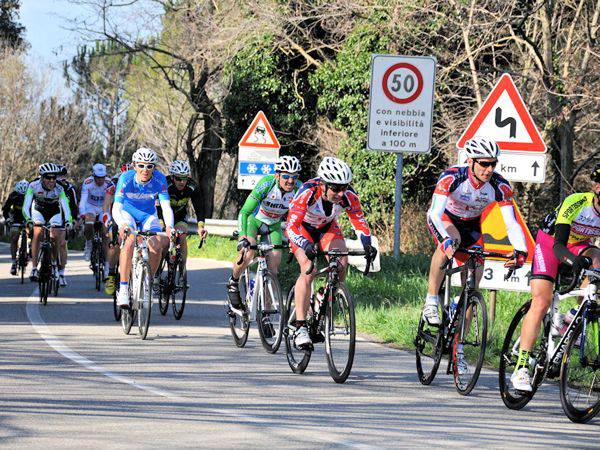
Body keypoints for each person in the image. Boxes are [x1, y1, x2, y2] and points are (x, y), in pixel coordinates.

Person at [423, 137, 528, 373]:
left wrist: (520, 251)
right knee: (450, 243)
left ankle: (458, 348)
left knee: (472, 287)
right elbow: (434, 214)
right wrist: (445, 240)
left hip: (472, 227)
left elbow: (511, 224)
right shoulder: (452, 177)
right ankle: (431, 300)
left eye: (493, 164)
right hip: (447, 221)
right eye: (484, 164)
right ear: (470, 160)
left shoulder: (500, 186)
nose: (489, 169)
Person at [511, 162, 600, 392]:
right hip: (551, 243)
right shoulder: (577, 203)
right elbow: (559, 245)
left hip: (580, 245)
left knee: (598, 262)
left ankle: (572, 317)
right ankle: (521, 366)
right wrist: (573, 261)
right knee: (542, 301)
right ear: (597, 188)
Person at [286, 156, 377, 349]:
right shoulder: (307, 192)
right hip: (302, 230)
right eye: (335, 188)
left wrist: (367, 244)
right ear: (323, 184)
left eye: (344, 187)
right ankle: (300, 326)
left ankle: (322, 296)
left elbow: (359, 222)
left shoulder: (349, 196)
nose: (340, 193)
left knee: (341, 264)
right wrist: (304, 243)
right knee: (308, 269)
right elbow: (291, 227)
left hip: (327, 228)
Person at [227, 156, 302, 311]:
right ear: (277, 175)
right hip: (254, 221)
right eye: (286, 176)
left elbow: (297, 218)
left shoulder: (298, 190)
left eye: (294, 177)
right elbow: (245, 212)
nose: (290, 181)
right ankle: (233, 282)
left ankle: (266, 313)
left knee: (273, 269)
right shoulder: (267, 184)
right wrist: (242, 236)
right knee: (248, 255)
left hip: (273, 226)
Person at [112, 147, 174, 308]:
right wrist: (122, 224)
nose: (145, 170)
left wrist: (169, 227)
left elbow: (166, 207)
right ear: (134, 166)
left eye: (149, 166)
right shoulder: (126, 178)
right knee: (129, 242)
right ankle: (124, 289)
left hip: (148, 215)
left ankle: (148, 284)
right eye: (141, 165)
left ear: (154, 167)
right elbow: (116, 207)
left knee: (156, 246)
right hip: (128, 214)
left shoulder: (160, 179)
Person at [22, 163, 73, 286]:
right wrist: (28, 219)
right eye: (48, 177)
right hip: (38, 210)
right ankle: (34, 268)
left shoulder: (60, 189)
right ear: (41, 177)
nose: (51, 181)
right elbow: (26, 206)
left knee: (55, 234)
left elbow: (66, 208)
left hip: (54, 211)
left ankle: (54, 264)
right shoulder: (33, 186)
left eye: (54, 178)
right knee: (37, 232)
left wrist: (68, 221)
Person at [157, 160, 208, 266]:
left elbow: (199, 208)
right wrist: (162, 224)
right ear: (172, 177)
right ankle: (158, 269)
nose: (182, 182)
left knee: (182, 237)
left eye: (184, 178)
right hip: (162, 216)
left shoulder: (192, 187)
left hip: (180, 216)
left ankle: (182, 271)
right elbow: (156, 206)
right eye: (178, 178)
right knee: (164, 241)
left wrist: (201, 226)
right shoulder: (165, 184)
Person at [79, 164, 113, 280]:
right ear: (93, 176)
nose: (100, 180)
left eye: (102, 177)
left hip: (104, 208)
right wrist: (83, 213)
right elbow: (83, 201)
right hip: (90, 207)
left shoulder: (109, 183)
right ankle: (88, 244)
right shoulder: (88, 182)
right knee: (88, 224)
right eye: (98, 177)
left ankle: (107, 267)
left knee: (105, 234)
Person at [2, 179, 29, 275]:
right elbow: (5, 209)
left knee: (34, 235)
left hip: (29, 218)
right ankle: (14, 262)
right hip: (16, 219)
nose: (22, 197)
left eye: (24, 195)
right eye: (20, 195)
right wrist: (8, 219)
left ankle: (30, 249)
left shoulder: (32, 194)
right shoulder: (13, 195)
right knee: (14, 238)